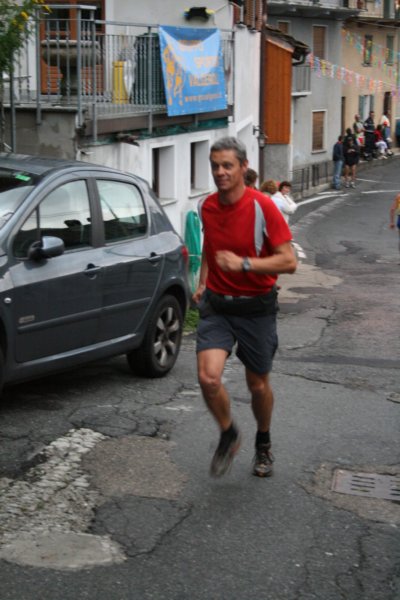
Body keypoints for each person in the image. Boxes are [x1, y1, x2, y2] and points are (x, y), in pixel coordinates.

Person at [192, 137, 297, 478]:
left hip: (256, 308)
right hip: (218, 305)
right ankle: (229, 433)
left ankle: (263, 441)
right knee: (208, 378)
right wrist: (203, 281)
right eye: (215, 166)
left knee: (257, 385)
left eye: (227, 165)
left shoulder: (263, 207)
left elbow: (289, 261)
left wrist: (245, 264)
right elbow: (211, 245)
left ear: (243, 167)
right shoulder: (207, 206)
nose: (220, 172)